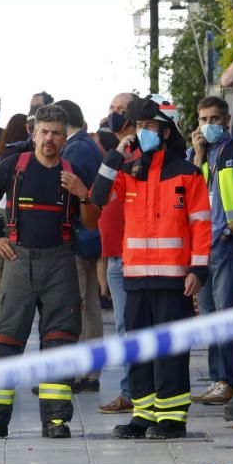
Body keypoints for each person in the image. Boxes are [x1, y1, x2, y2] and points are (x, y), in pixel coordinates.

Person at [0, 104, 98, 441]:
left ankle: (56, 420)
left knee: (60, 342)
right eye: (44, 132)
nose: (50, 138)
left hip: (60, 262)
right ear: (34, 133)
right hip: (18, 260)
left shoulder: (73, 171)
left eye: (57, 132)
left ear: (65, 136)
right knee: (5, 340)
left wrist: (83, 194)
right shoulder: (15, 166)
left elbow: (92, 223)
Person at [90, 97, 211, 440]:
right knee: (139, 348)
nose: (142, 132)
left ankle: (171, 418)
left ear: (166, 130)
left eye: (149, 127)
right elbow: (97, 197)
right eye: (139, 127)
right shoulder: (129, 172)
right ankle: (143, 414)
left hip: (175, 279)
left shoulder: (187, 173)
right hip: (136, 278)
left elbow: (202, 225)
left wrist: (198, 270)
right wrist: (116, 152)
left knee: (171, 349)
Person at [187, 96, 233, 404]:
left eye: (214, 119)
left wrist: (228, 231)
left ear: (226, 120)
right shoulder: (194, 155)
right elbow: (185, 194)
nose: (208, 125)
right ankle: (217, 379)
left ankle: (228, 379)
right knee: (209, 315)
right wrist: (198, 154)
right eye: (203, 120)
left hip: (225, 243)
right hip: (200, 246)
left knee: (225, 311)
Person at [55, 99, 104, 392]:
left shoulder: (74, 149)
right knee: (91, 306)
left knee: (77, 304)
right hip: (92, 235)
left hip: (77, 235)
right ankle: (90, 372)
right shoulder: (89, 145)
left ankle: (76, 373)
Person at [95, 91, 138, 415]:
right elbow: (101, 193)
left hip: (135, 254)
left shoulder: (138, 152)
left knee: (131, 325)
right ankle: (131, 391)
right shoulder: (115, 151)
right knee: (124, 325)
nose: (114, 114)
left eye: (121, 110)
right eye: (112, 108)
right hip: (114, 255)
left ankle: (135, 393)